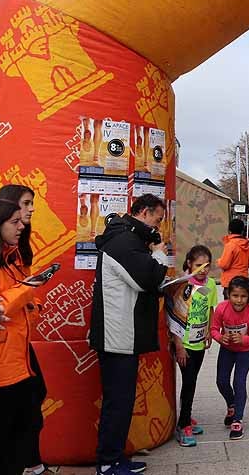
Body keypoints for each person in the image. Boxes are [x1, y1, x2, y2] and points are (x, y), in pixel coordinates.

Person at [90, 193, 169, 475]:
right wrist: (159, 253)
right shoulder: (124, 242)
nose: (158, 226)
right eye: (158, 219)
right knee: (118, 402)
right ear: (145, 213)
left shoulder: (127, 239)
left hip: (123, 334)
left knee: (121, 401)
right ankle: (108, 462)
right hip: (117, 335)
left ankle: (114, 457)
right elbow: (147, 277)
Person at [0, 199, 48, 475]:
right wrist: (25, 290)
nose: (22, 225)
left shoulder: (5, 258)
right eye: (14, 221)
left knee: (18, 435)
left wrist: (30, 300)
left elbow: (14, 304)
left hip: (15, 363)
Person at [0, 184, 53, 474]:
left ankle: (32, 463)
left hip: (19, 339)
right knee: (7, 417)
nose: (30, 211)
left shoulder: (18, 245)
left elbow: (22, 286)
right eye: (26, 204)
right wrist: (26, 292)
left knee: (32, 400)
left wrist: (33, 301)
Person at [170, 245, 218, 447]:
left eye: (207, 265)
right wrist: (179, 345)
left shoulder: (211, 285)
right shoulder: (182, 286)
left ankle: (187, 417)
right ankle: (183, 425)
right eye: (199, 265)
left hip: (199, 343)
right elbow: (174, 317)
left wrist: (209, 329)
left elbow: (211, 308)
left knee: (193, 381)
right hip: (184, 344)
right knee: (188, 383)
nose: (203, 270)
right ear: (190, 264)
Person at [212, 276, 249, 440]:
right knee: (221, 381)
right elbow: (213, 329)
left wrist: (243, 339)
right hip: (227, 349)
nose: (239, 300)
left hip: (245, 351)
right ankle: (232, 404)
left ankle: (237, 419)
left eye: (243, 296)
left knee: (239, 382)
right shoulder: (221, 309)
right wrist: (220, 338)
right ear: (228, 294)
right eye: (235, 296)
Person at [0, 184, 36, 267]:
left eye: (31, 203)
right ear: (10, 203)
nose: (32, 209)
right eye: (26, 203)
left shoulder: (22, 241)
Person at [217, 219, 249, 297]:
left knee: (229, 306)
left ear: (229, 231)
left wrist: (219, 261)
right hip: (244, 281)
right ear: (242, 231)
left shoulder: (230, 245)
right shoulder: (247, 245)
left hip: (230, 282)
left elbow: (224, 264)